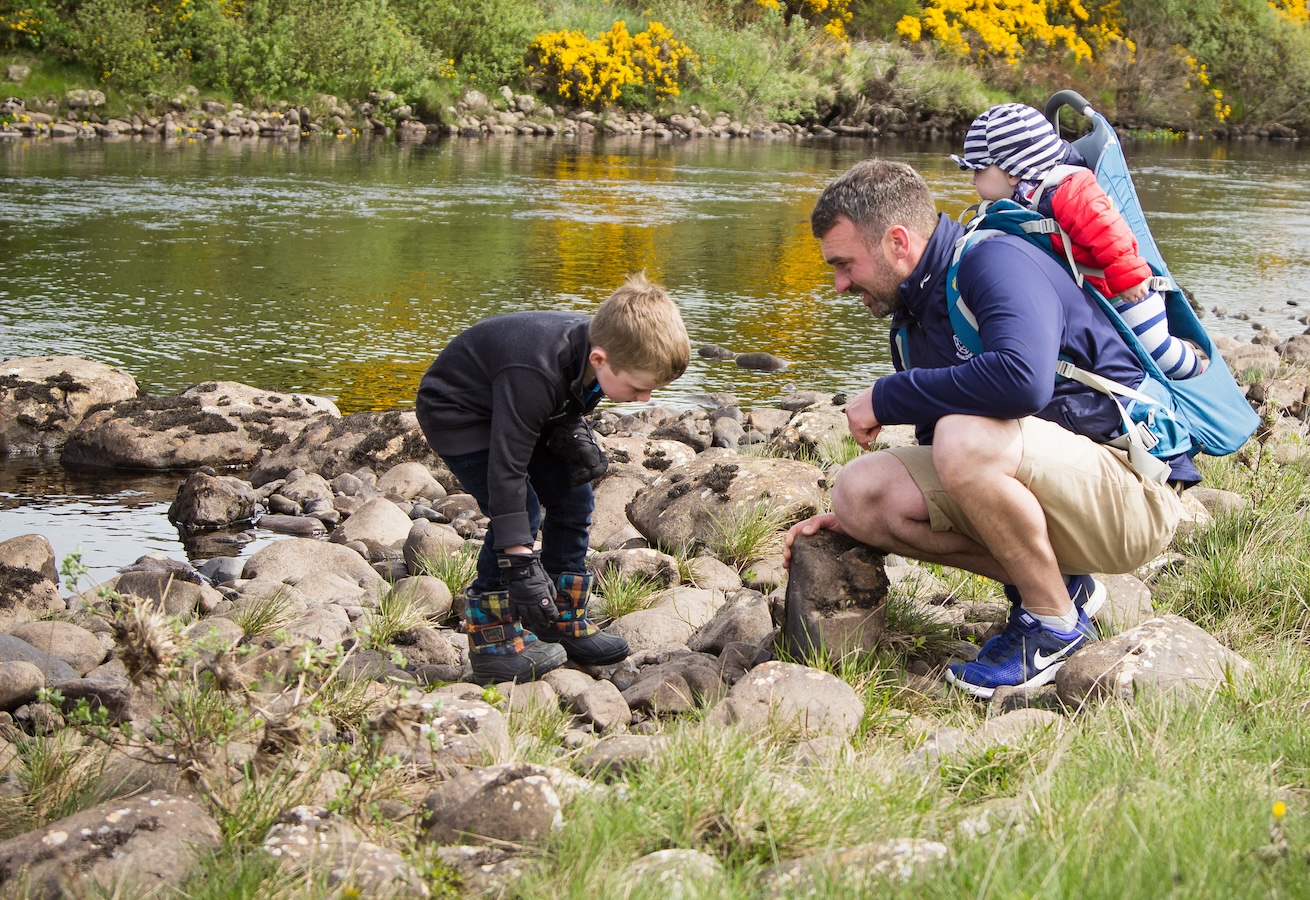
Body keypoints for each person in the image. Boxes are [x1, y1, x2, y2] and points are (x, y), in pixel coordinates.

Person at [786, 159, 1193, 698]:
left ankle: (1051, 625)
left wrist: (886, 396)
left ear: (897, 241)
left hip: (1130, 492)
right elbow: (951, 472)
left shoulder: (994, 260)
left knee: (964, 440)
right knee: (860, 493)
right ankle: (1062, 588)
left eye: (844, 264)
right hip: (1060, 489)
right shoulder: (914, 318)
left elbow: (1022, 383)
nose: (838, 285)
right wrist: (855, 525)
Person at [416, 273, 691, 684]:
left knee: (574, 496)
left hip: (515, 407)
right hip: (459, 413)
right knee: (520, 513)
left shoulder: (603, 350)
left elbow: (566, 396)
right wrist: (520, 564)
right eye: (638, 389)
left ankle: (560, 618)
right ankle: (492, 640)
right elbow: (506, 469)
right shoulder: (535, 369)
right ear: (599, 360)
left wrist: (571, 428)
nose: (645, 400)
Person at [952, 102, 1205, 379]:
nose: (973, 181)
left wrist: (1129, 277)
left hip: (1125, 293)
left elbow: (1109, 233)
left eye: (978, 171)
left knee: (1159, 353)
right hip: (1093, 298)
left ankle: (1199, 373)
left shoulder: (1069, 191)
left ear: (1013, 172)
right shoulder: (1019, 204)